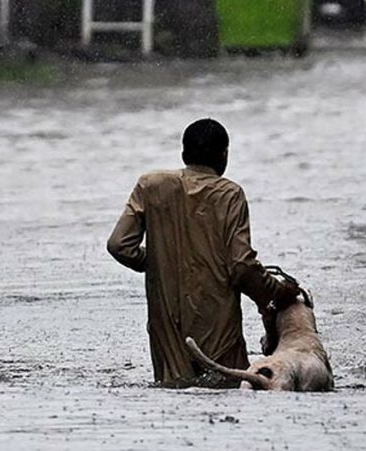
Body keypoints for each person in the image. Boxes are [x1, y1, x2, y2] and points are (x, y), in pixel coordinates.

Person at [106, 118, 299, 388]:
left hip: (167, 331)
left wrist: (162, 259)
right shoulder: (230, 194)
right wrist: (278, 293)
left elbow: (119, 245)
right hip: (219, 332)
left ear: (184, 153)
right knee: (229, 392)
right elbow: (242, 267)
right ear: (224, 156)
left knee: (174, 396)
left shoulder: (150, 186)